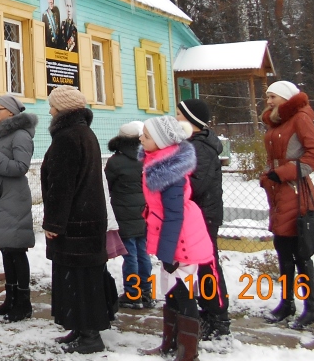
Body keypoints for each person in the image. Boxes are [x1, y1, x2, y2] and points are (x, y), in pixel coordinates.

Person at [137, 116, 215, 361]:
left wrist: (168, 253)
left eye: (146, 136)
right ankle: (170, 343)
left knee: (183, 293)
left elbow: (173, 215)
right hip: (170, 239)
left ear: (161, 142)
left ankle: (188, 352)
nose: (141, 139)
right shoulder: (157, 161)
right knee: (170, 291)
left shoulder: (169, 171)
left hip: (181, 241)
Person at [40, 85, 109, 354]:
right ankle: (80, 329)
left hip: (74, 222)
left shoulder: (68, 138)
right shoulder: (84, 133)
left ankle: (90, 336)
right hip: (86, 218)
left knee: (80, 279)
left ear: (62, 110)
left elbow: (62, 185)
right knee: (82, 277)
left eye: (53, 106)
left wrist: (54, 224)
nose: (49, 110)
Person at [259, 81, 314, 330]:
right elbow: (273, 158)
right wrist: (268, 176)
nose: (268, 101)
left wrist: (284, 172)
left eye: (273, 96)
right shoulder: (277, 122)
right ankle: (286, 304)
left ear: (286, 98)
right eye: (267, 97)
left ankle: (313, 309)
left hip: (296, 194)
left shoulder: (300, 118)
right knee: (283, 252)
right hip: (278, 194)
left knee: (301, 254)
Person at [176, 98, 230, 339]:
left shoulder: (201, 148)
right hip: (196, 214)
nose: (175, 118)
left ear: (191, 120)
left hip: (204, 215)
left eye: (179, 114)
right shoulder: (192, 144)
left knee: (209, 266)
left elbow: (196, 184)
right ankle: (208, 310)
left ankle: (218, 317)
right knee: (201, 266)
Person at [0, 94, 37, 322]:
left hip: (13, 198)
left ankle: (23, 303)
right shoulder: (4, 135)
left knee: (16, 251)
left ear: (11, 113)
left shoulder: (21, 135)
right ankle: (11, 298)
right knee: (7, 250)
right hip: (1, 196)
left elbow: (20, 167)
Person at [105, 121, 152, 311]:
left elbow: (108, 184)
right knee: (143, 253)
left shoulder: (115, 162)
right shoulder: (147, 158)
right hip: (144, 211)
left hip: (123, 212)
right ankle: (146, 291)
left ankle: (133, 294)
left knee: (130, 254)